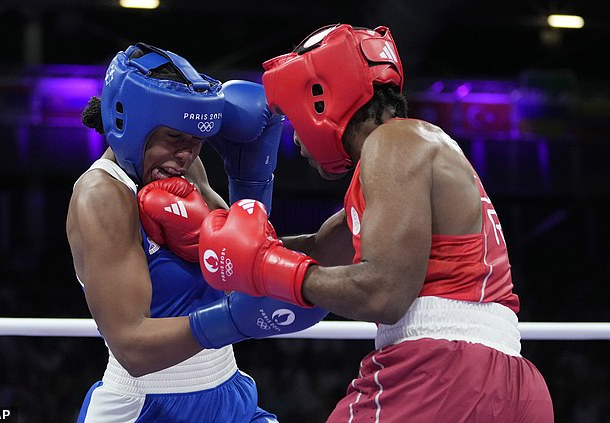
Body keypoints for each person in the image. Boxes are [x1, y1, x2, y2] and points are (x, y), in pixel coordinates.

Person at [197, 24, 555, 422]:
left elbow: (384, 292)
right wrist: (204, 243)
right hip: (510, 382)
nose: (296, 141)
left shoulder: (393, 144)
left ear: (320, 97)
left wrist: (266, 268)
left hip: (442, 371)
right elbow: (316, 249)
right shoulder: (412, 154)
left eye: (292, 118)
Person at [67, 42, 326, 423]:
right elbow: (132, 348)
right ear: (131, 124)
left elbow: (246, 254)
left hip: (229, 391)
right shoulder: (102, 196)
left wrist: (250, 182)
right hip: (149, 408)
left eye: (196, 140)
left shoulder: (183, 169)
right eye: (175, 138)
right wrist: (235, 320)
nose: (187, 154)